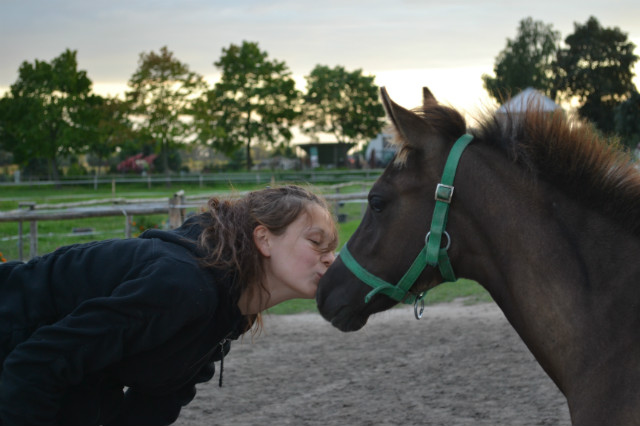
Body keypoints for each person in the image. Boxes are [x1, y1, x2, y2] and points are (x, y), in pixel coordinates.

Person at [0, 185, 337, 426]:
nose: (330, 259)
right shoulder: (180, 287)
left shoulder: (230, 311)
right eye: (316, 242)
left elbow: (157, 402)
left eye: (332, 248)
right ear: (264, 239)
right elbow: (34, 365)